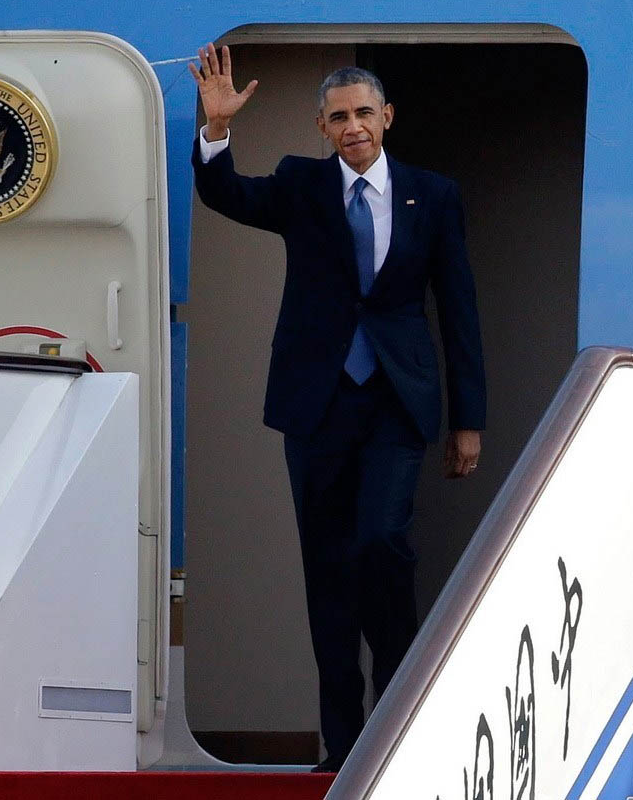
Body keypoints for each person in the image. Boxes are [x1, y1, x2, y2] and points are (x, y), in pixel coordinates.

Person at [189, 43, 486, 772]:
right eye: (337, 117)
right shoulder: (300, 185)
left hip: (395, 402)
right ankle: (343, 745)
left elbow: (460, 309)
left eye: (362, 112)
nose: (352, 126)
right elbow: (225, 195)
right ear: (321, 128)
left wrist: (468, 420)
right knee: (327, 568)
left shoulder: (432, 193)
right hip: (316, 404)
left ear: (386, 117)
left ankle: (396, 720)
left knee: (383, 544)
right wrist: (216, 131)